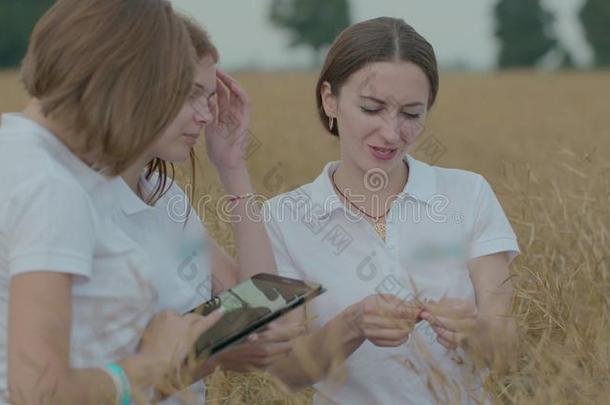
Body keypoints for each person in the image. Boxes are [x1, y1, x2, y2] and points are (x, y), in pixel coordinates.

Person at [263, 17, 520, 404]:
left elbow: (508, 351)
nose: (391, 132)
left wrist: (475, 333)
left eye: (411, 114)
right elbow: (286, 373)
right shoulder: (283, 216)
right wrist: (353, 324)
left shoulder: (469, 194)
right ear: (329, 99)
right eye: (371, 108)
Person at [0, 1, 232, 403]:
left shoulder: (17, 151)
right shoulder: (52, 187)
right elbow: (39, 393)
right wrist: (150, 367)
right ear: (125, 83)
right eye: (167, 91)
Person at [108, 16, 304, 402]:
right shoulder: (75, 201)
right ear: (135, 87)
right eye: (189, 94)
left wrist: (233, 168)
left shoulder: (164, 196)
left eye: (208, 96)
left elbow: (254, 305)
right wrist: (210, 359)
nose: (206, 114)